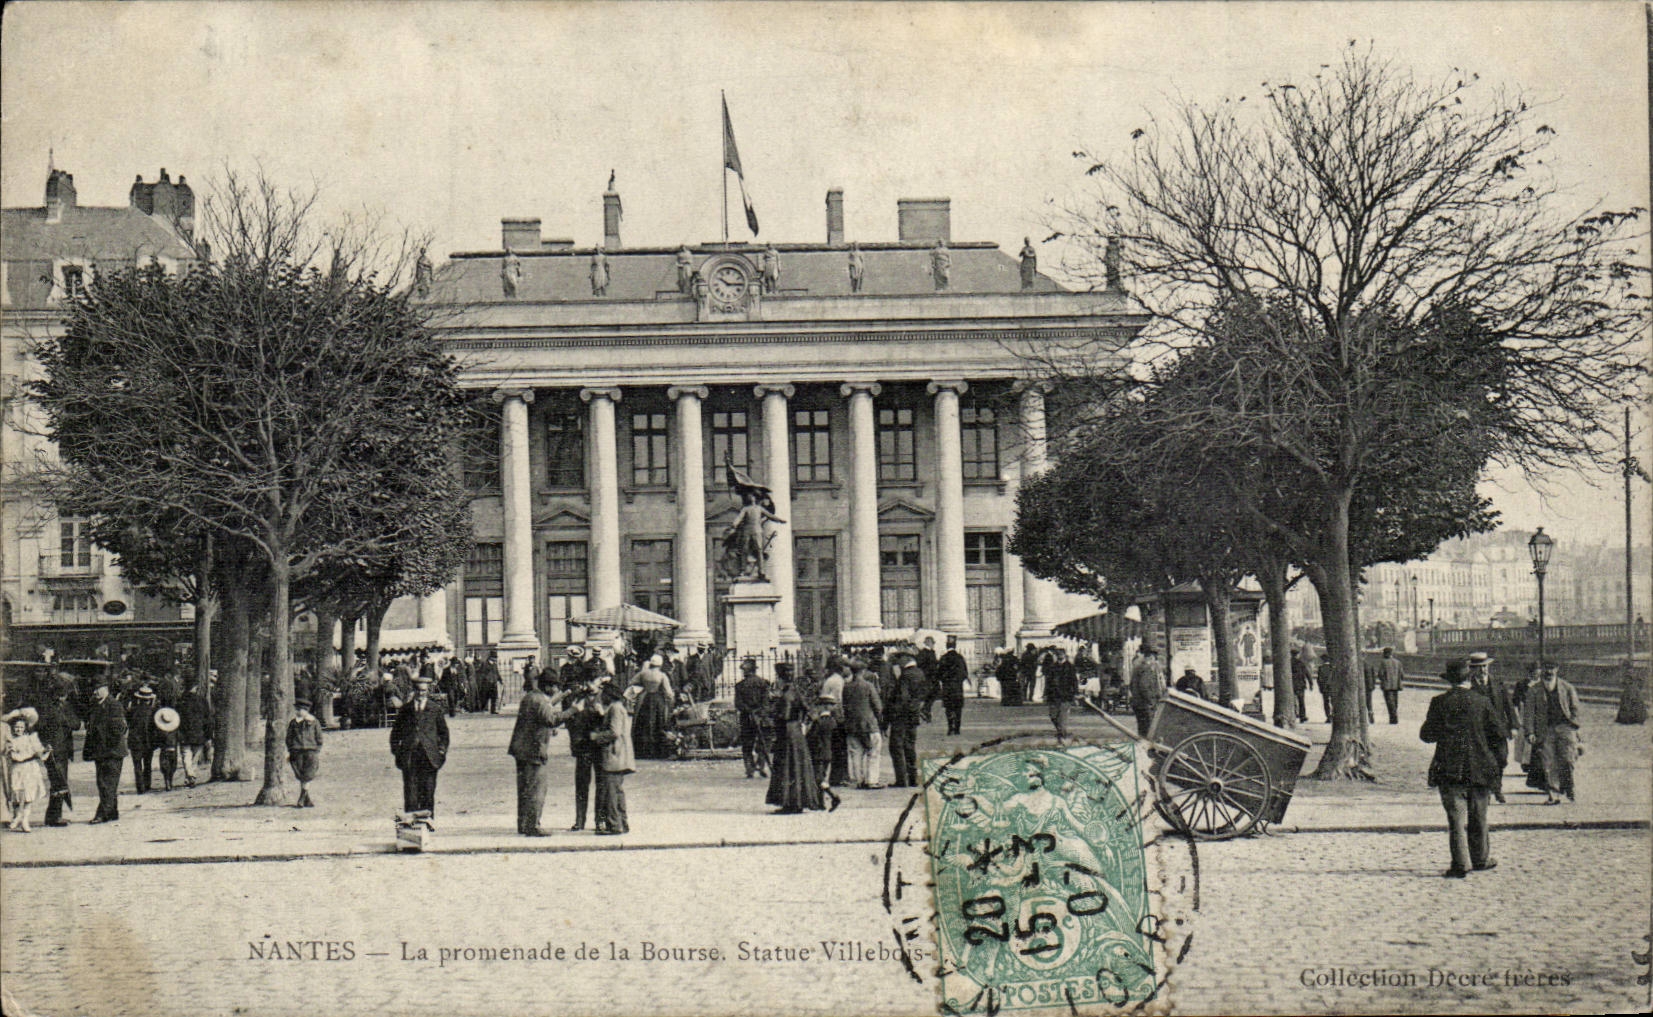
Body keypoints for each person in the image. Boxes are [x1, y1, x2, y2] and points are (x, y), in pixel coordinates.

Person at [1420, 660, 1505, 878]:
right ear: (1470, 678)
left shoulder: (1439, 702)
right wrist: (1494, 762)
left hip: (1449, 768)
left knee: (1456, 819)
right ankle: (1481, 859)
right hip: (1480, 768)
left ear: (1449, 680)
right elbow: (1498, 735)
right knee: (1479, 816)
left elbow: (1427, 735)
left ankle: (1460, 863)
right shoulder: (1482, 701)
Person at [508, 672, 564, 835]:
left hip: (522, 749)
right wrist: (573, 710)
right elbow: (551, 720)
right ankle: (533, 825)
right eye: (555, 686)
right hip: (534, 750)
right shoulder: (540, 700)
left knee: (524, 789)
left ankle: (524, 824)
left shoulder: (531, 697)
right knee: (537, 789)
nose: (556, 689)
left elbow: (539, 718)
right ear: (548, 686)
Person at [389, 675, 449, 822]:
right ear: (414, 691)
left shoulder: (435, 709)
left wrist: (441, 751)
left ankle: (428, 823)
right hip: (410, 756)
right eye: (418, 690)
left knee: (428, 791)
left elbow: (444, 733)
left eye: (424, 691)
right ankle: (411, 825)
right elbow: (395, 733)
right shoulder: (406, 709)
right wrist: (398, 751)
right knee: (411, 792)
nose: (421, 693)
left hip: (429, 757)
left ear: (427, 691)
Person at [765, 666, 824, 813]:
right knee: (797, 765)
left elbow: (784, 715)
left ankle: (789, 802)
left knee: (787, 766)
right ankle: (797, 801)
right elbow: (810, 711)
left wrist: (772, 712)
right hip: (796, 731)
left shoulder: (787, 694)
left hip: (787, 732)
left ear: (780, 677)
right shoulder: (797, 690)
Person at [1522, 663, 1582, 805]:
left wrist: (1573, 725)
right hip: (1545, 730)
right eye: (1546, 669)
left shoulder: (1567, 688)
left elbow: (1575, 708)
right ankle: (1554, 794)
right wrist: (1530, 732)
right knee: (1548, 763)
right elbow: (1529, 713)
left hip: (1565, 728)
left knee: (1568, 759)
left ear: (1557, 670)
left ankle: (1569, 786)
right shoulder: (1534, 690)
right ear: (1542, 671)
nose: (1549, 672)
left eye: (1552, 669)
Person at [555, 679, 606, 831]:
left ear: (600, 681)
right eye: (588, 681)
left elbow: (611, 722)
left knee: (602, 785)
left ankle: (600, 820)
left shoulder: (605, 697)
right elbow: (571, 722)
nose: (589, 684)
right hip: (583, 747)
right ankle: (580, 820)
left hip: (600, 746)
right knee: (582, 785)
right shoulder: (578, 697)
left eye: (593, 681)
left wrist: (601, 714)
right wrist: (575, 742)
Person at [589, 681, 635, 835]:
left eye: (604, 694)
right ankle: (622, 823)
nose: (601, 697)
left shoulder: (615, 708)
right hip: (619, 756)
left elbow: (614, 732)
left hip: (614, 756)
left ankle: (615, 825)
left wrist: (597, 737)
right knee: (617, 791)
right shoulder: (618, 708)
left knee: (611, 793)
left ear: (609, 695)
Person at [83, 678, 127, 824]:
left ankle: (102, 814)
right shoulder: (95, 704)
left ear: (106, 688)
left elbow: (118, 729)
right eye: (94, 689)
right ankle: (112, 811)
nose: (95, 692)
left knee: (107, 783)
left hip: (112, 751)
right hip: (100, 751)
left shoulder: (114, 705)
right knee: (104, 782)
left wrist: (98, 731)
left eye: (98, 688)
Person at [5, 709, 50, 833]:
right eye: (16, 727)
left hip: (30, 769)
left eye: (21, 727)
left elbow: (40, 753)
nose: (18, 729)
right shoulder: (11, 741)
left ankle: (25, 820)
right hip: (17, 769)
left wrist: (45, 751)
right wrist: (29, 755)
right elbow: (13, 756)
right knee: (16, 794)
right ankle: (17, 816)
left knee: (28, 796)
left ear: (25, 728)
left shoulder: (31, 739)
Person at [842, 658, 884, 789]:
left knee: (856, 753)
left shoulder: (846, 687)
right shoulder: (868, 686)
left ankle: (858, 780)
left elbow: (844, 706)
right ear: (863, 671)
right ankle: (872, 780)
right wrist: (880, 721)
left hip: (851, 725)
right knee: (873, 752)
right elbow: (878, 706)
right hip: (869, 724)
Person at [886, 654, 926, 788]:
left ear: (905, 661)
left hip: (901, 716)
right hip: (913, 715)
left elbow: (902, 697)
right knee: (910, 746)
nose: (898, 665)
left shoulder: (905, 676)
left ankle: (901, 779)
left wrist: (893, 713)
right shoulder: (920, 673)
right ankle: (913, 778)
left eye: (899, 662)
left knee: (896, 746)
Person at [38, 684, 74, 826]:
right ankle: (54, 817)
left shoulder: (64, 708)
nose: (63, 698)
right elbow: (40, 729)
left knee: (58, 782)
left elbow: (76, 724)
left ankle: (53, 816)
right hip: (53, 752)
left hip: (62, 751)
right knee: (58, 782)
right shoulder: (48, 709)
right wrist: (46, 745)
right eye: (62, 696)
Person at [807, 684, 844, 812]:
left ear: (822, 706)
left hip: (818, 753)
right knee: (821, 776)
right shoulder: (833, 722)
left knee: (818, 778)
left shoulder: (818, 722)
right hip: (828, 753)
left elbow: (811, 737)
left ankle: (833, 796)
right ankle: (820, 803)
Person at [630, 655, 674, 760]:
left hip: (645, 699)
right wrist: (671, 700)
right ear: (660, 664)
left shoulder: (643, 673)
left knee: (643, 723)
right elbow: (668, 692)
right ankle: (656, 751)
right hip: (657, 700)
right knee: (658, 723)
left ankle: (641, 751)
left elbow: (632, 682)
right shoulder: (662, 675)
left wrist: (642, 687)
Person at [734, 658, 771, 779]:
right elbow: (766, 702)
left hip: (747, 717)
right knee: (763, 742)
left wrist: (749, 711)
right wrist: (760, 712)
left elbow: (738, 704)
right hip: (760, 717)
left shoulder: (740, 686)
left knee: (747, 744)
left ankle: (749, 768)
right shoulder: (763, 683)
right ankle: (760, 764)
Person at [818, 658, 850, 787]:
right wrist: (842, 717)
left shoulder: (831, 680)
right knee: (839, 748)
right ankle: (838, 777)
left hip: (831, 715)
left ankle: (838, 776)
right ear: (842, 668)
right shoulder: (838, 681)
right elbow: (838, 701)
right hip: (836, 717)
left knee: (836, 747)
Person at [285, 698, 323, 808]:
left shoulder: (314, 722)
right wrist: (291, 749)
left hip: (311, 751)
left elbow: (319, 738)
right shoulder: (293, 723)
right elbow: (288, 738)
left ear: (306, 710)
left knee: (308, 774)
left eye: (300, 710)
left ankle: (302, 797)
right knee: (300, 775)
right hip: (297, 752)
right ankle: (306, 799)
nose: (297, 712)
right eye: (297, 709)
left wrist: (316, 750)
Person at [126, 681, 159, 794]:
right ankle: (147, 784)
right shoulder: (153, 712)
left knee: (137, 765)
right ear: (149, 699)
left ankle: (140, 787)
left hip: (135, 741)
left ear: (139, 698)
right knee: (148, 764)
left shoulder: (132, 710)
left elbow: (128, 723)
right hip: (148, 741)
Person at [177, 678, 210, 788]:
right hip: (199, 733)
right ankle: (192, 775)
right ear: (195, 687)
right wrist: (208, 734)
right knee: (195, 757)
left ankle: (190, 775)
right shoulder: (202, 701)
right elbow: (208, 718)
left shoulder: (180, 701)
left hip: (184, 733)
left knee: (186, 755)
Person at [1044, 647, 1079, 744]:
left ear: (1064, 655)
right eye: (1058, 654)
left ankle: (1062, 735)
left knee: (1063, 716)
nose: (1059, 656)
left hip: (1066, 695)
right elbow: (1048, 681)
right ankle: (1060, 731)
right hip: (1053, 695)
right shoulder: (1052, 667)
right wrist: (1046, 694)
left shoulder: (1070, 667)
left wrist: (1075, 693)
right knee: (1053, 715)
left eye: (1061, 654)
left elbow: (1074, 681)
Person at [1130, 648, 1166, 737]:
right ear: (1150, 658)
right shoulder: (1147, 669)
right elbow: (1144, 687)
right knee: (1149, 729)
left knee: (1142, 729)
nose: (1155, 662)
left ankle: (1142, 743)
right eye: (1154, 659)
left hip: (1138, 703)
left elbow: (1132, 685)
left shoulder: (1137, 668)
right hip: (1146, 705)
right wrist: (1151, 701)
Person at [937, 637, 969, 736]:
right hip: (957, 687)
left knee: (948, 708)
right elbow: (964, 673)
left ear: (946, 646)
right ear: (955, 646)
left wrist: (945, 680)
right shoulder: (960, 658)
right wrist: (959, 681)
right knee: (958, 708)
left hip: (947, 687)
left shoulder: (943, 658)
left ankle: (950, 727)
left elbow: (939, 673)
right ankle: (957, 728)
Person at [915, 637, 940, 723]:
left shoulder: (930, 652)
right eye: (933, 643)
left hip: (932, 677)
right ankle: (925, 710)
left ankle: (926, 710)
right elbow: (921, 665)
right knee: (930, 694)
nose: (933, 645)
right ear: (929, 643)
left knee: (932, 694)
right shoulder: (924, 653)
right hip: (928, 677)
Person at [1378, 647, 1405, 725]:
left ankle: (1393, 718)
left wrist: (1383, 680)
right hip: (1396, 685)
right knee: (1395, 701)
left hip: (1387, 686)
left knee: (1389, 702)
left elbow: (1380, 674)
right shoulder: (1398, 662)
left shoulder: (1383, 662)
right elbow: (1402, 675)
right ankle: (1394, 717)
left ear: (1385, 654)